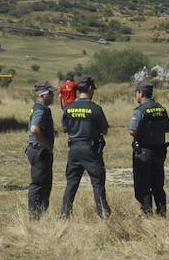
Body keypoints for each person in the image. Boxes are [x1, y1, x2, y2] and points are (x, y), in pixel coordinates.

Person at [58, 77, 112, 218]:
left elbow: (64, 129)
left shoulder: (68, 109)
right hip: (91, 149)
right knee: (97, 183)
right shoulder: (95, 108)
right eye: (93, 88)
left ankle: (65, 214)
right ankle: (103, 214)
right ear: (89, 89)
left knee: (71, 183)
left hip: (74, 149)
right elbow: (105, 130)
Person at [128, 83, 169, 216]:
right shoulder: (161, 109)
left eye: (136, 93)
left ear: (140, 93)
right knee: (158, 183)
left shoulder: (140, 110)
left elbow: (132, 130)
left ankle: (147, 212)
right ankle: (162, 212)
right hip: (159, 151)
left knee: (143, 184)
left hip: (144, 152)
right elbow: (168, 128)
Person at [25, 82, 55, 219]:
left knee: (45, 182)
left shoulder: (41, 108)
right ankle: (34, 214)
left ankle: (41, 211)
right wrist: (46, 145)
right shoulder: (40, 109)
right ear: (44, 95)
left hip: (37, 149)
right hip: (39, 150)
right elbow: (35, 129)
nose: (53, 96)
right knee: (38, 183)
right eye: (51, 94)